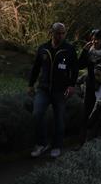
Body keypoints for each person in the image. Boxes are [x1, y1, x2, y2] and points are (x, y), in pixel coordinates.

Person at [28, 22, 79, 158]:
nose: (60, 36)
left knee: (59, 118)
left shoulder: (69, 49)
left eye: (63, 33)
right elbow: (36, 68)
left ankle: (57, 145)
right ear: (52, 33)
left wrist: (71, 85)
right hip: (43, 88)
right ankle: (41, 143)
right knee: (37, 114)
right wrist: (30, 84)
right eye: (58, 33)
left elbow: (74, 69)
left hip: (60, 90)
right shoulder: (43, 49)